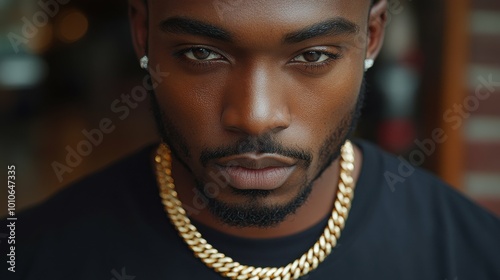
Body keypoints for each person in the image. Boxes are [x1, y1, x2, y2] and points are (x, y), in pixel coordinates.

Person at [2, 0, 499, 279]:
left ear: (371, 37)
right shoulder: (28, 256)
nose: (256, 117)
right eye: (201, 53)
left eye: (313, 55)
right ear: (142, 35)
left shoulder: (477, 256)